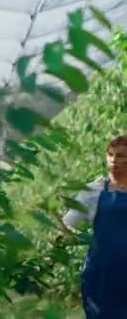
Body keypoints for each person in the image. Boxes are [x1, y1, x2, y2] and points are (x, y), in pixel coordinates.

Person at [63, 135, 127, 318]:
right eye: (111, 154)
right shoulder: (93, 191)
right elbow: (66, 224)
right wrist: (79, 238)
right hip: (101, 274)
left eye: (121, 156)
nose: (114, 160)